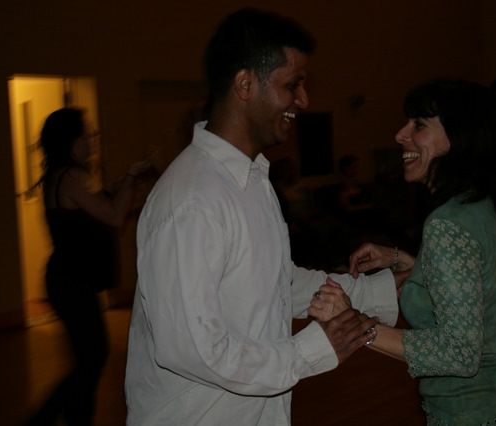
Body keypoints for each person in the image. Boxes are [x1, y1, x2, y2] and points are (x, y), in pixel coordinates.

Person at [124, 9, 399, 426]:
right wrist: (310, 350)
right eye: (292, 85)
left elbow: (276, 283)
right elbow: (194, 350)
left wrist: (380, 290)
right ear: (245, 84)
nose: (303, 100)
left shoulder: (250, 178)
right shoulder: (193, 200)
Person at [309, 80, 496, 425]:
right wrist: (404, 261)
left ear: (459, 137)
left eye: (418, 124)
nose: (400, 134)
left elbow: (459, 355)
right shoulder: (491, 205)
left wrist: (353, 323)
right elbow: (482, 287)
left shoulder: (449, 222)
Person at [26, 108, 153, 425]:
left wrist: (125, 187)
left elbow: (97, 204)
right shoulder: (72, 177)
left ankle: (73, 419)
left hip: (67, 280)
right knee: (92, 358)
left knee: (90, 358)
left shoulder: (64, 174)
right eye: (88, 132)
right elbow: (112, 216)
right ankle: (43, 420)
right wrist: (132, 175)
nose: (93, 136)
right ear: (73, 141)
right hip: (71, 283)